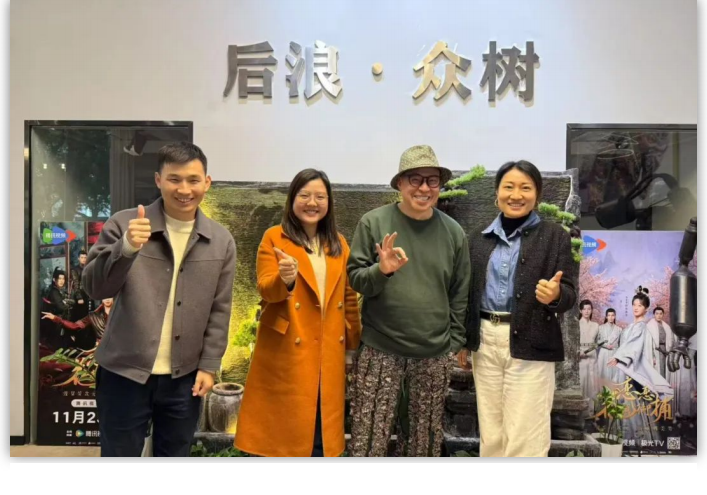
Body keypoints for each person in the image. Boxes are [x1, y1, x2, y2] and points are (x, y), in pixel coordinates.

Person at [83, 142, 236, 457]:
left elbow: (220, 309)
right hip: (123, 374)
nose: (184, 189)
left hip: (184, 380)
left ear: (207, 182)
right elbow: (94, 288)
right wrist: (126, 247)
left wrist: (209, 366)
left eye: (193, 180)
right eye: (174, 179)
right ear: (158, 180)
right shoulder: (126, 224)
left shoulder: (221, 241)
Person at [347, 145, 471, 457]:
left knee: (423, 444)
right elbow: (355, 279)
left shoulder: (453, 232)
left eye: (432, 180)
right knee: (367, 440)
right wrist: (381, 270)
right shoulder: (373, 223)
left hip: (433, 353)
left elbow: (460, 291)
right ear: (400, 183)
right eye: (415, 179)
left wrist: (454, 341)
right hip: (380, 348)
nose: (424, 188)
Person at [236, 169, 361, 457]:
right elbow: (266, 290)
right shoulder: (274, 237)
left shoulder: (338, 243)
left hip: (328, 351)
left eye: (320, 197)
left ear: (329, 202)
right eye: (304, 195)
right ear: (292, 199)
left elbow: (348, 298)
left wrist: (351, 347)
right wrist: (286, 279)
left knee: (318, 433)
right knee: (281, 437)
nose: (312, 203)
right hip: (285, 352)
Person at [459, 160, 577, 457]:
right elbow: (467, 293)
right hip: (485, 340)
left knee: (526, 435)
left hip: (532, 341)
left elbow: (570, 294)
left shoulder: (555, 236)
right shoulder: (477, 239)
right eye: (508, 187)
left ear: (537, 195)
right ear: (497, 193)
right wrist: (464, 340)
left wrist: (555, 295)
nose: (516, 195)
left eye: (525, 187)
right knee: (492, 432)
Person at [608, 287, 673, 446]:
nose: (636, 308)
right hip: (625, 367)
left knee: (633, 399)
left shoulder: (642, 326)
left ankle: (634, 440)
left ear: (646, 308)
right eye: (634, 305)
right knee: (624, 398)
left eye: (640, 305)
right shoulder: (631, 326)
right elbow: (626, 345)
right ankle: (622, 438)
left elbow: (635, 347)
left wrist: (619, 358)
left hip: (633, 368)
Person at [578, 300, 600, 403]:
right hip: (580, 355)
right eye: (584, 309)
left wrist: (590, 350)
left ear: (591, 310)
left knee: (592, 383)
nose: (587, 311)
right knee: (582, 381)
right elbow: (572, 342)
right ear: (580, 310)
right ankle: (581, 409)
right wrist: (579, 352)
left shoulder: (596, 325)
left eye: (589, 309)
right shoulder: (576, 324)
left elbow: (598, 342)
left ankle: (591, 410)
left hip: (592, 355)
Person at [596, 308, 622, 385]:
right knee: (602, 372)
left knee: (614, 372)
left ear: (615, 316)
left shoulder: (619, 329)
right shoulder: (600, 328)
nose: (610, 317)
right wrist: (606, 345)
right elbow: (596, 341)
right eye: (609, 315)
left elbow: (621, 345)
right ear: (606, 316)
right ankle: (602, 390)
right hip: (603, 353)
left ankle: (613, 391)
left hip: (614, 353)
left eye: (612, 315)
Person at [646, 307, 674, 378]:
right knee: (657, 370)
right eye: (657, 314)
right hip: (655, 350)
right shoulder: (650, 326)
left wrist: (668, 349)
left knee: (665, 369)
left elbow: (671, 339)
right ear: (654, 315)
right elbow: (648, 342)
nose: (659, 316)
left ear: (663, 315)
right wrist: (652, 356)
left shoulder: (666, 326)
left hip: (665, 350)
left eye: (661, 314)